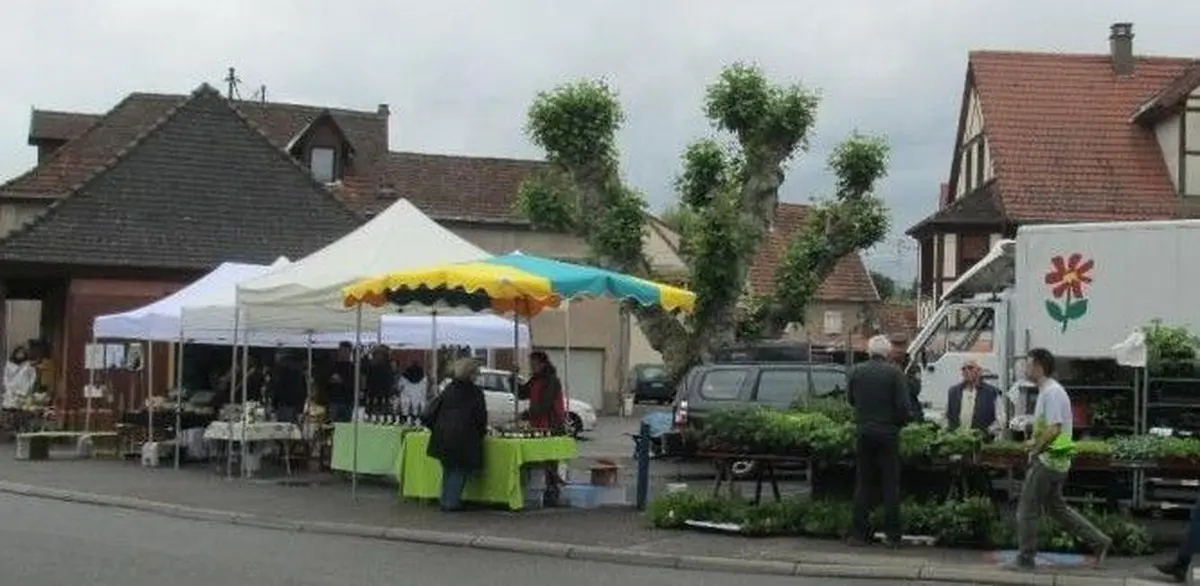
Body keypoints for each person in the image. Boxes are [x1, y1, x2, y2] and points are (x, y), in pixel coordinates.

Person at [1008, 348, 1111, 571]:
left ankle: (1025, 559)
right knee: (1057, 509)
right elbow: (1051, 427)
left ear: (1038, 367)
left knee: (1027, 510)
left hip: (1047, 461)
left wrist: (1036, 448)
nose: (1025, 369)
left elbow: (1054, 428)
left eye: (1028, 364)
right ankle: (1099, 541)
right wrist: (1034, 441)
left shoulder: (1052, 392)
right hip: (1057, 461)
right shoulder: (1049, 391)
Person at [846, 334, 911, 548]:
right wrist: (897, 424)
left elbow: (851, 400)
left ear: (869, 351)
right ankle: (892, 535)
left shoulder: (856, 371)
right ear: (888, 352)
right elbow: (903, 406)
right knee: (890, 484)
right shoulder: (895, 373)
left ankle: (859, 533)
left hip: (864, 430)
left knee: (863, 483)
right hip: (888, 432)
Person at [423, 358, 487, 512]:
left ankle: (445, 500)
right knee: (459, 471)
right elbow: (480, 418)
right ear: (470, 373)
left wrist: (437, 428)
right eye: (476, 372)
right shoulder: (475, 393)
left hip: (443, 436)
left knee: (448, 470)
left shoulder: (449, 389)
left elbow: (430, 413)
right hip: (463, 438)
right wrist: (481, 433)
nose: (478, 375)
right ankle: (451, 503)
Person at [946, 359, 1004, 435]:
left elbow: (1001, 419)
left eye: (970, 368)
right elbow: (946, 416)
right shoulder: (953, 392)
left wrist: (987, 432)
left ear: (979, 371)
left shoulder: (991, 392)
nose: (966, 371)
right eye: (964, 369)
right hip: (958, 441)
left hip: (983, 442)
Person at [520, 351, 566, 434]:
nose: (532, 367)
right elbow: (522, 394)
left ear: (543, 364)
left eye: (534, 365)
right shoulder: (534, 380)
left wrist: (528, 414)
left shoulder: (551, 380)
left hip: (551, 424)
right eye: (531, 365)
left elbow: (546, 404)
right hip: (537, 424)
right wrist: (513, 378)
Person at [268, 351, 307, 423]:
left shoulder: (280, 367)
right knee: (294, 426)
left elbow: (277, 386)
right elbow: (304, 388)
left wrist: (274, 404)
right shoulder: (299, 367)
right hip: (297, 402)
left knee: (284, 426)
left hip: (284, 402)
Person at [3, 347, 35, 432]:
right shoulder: (9, 364)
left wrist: (29, 387)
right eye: (18, 353)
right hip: (11, 390)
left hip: (24, 390)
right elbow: (6, 376)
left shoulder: (28, 365)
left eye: (22, 353)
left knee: (23, 410)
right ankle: (13, 427)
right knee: (11, 410)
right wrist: (8, 387)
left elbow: (32, 376)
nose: (20, 355)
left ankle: (22, 428)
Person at [325, 342, 355, 422]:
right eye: (342, 350)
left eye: (346, 351)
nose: (344, 353)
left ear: (350, 352)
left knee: (344, 427)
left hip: (348, 401)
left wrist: (343, 381)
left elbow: (356, 384)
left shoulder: (353, 367)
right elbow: (324, 381)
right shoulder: (332, 365)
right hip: (333, 400)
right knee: (331, 426)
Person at [363, 345, 395, 413]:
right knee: (371, 409)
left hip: (385, 392)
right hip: (372, 391)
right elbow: (364, 369)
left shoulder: (388, 365)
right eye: (377, 353)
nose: (379, 355)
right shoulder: (370, 364)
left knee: (383, 409)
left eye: (381, 353)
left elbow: (391, 377)